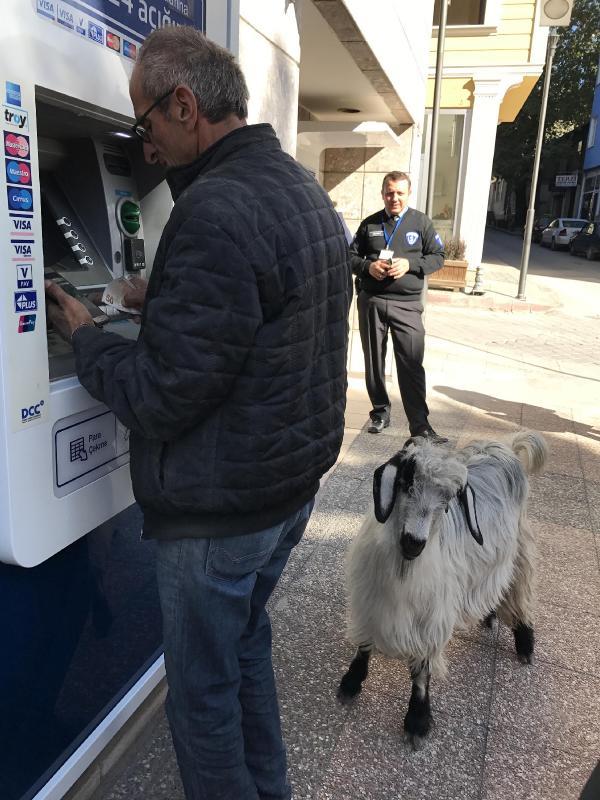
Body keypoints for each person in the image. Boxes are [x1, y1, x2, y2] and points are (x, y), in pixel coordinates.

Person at [45, 26, 351, 800]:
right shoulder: (297, 187)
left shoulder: (214, 208)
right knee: (244, 649)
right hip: (285, 490)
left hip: (221, 511)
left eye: (146, 124)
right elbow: (265, 311)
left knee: (202, 699)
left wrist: (84, 336)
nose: (144, 148)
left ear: (185, 105)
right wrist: (168, 296)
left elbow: (160, 394)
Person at [350, 171, 447, 441]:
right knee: (374, 362)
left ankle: (420, 426)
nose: (394, 198)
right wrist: (368, 266)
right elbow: (349, 256)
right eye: (390, 193)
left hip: (407, 306)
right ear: (383, 194)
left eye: (400, 193)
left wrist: (410, 264)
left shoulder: (421, 222)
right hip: (373, 302)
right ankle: (380, 413)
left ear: (408, 193)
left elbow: (438, 257)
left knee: (411, 363)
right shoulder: (370, 224)